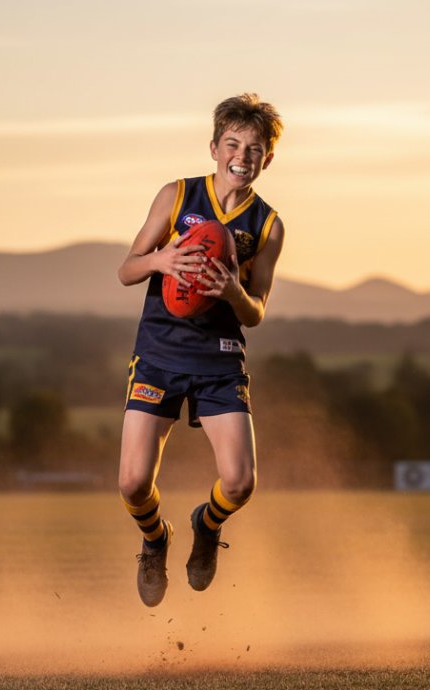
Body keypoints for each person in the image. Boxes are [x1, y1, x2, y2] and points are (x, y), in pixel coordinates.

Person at [116, 93, 285, 607]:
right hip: (160, 355)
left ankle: (205, 526)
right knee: (132, 484)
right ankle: (155, 540)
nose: (242, 155)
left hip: (219, 360)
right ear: (214, 147)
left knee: (239, 482)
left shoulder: (268, 226)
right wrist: (161, 261)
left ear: (267, 159)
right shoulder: (176, 195)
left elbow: (255, 310)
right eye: (233, 143)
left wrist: (235, 291)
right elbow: (126, 269)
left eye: (254, 149)